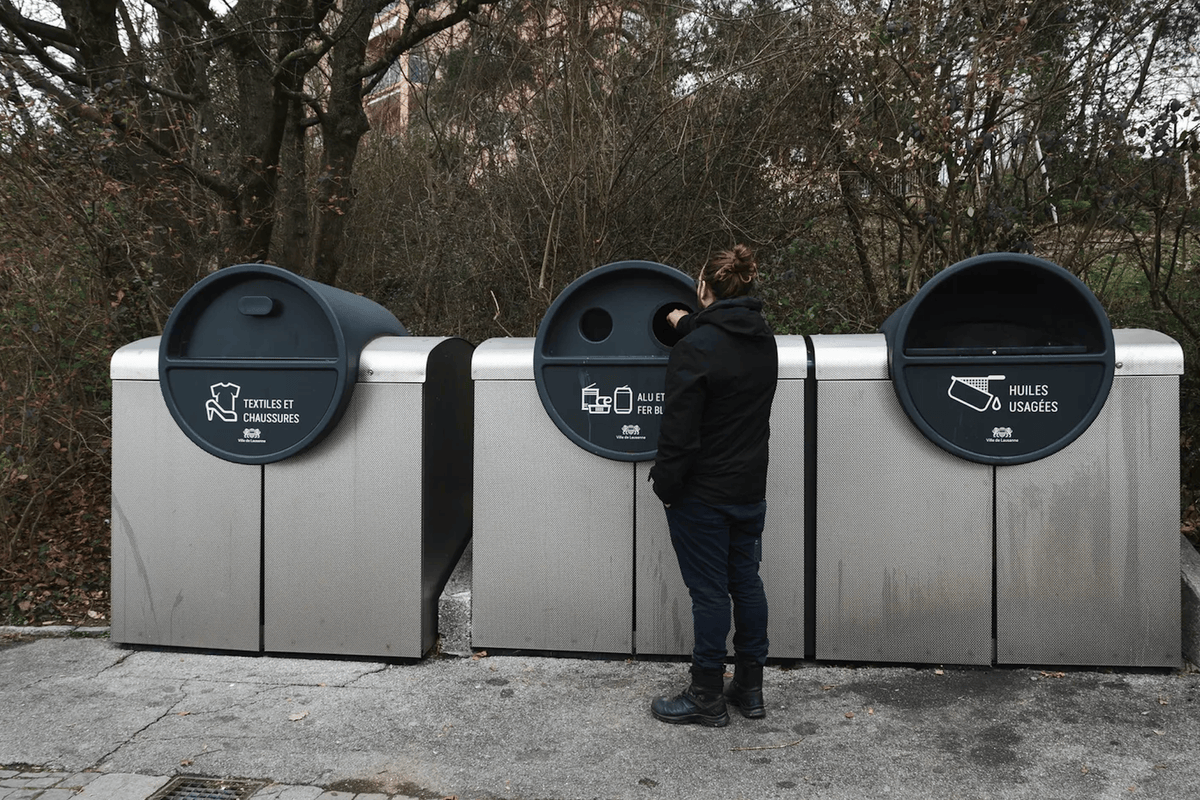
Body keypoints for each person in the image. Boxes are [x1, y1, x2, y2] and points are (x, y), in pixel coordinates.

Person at [648, 244, 779, 727]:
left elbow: (678, 434)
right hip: (748, 489)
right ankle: (750, 688)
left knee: (708, 594)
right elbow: (720, 344)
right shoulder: (764, 340)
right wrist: (685, 322)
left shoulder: (696, 349)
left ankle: (705, 696)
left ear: (704, 287)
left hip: (701, 494)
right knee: (745, 583)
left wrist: (665, 485)